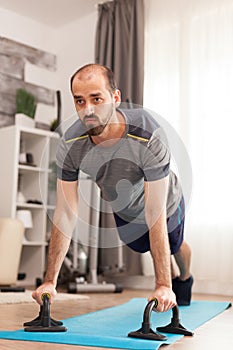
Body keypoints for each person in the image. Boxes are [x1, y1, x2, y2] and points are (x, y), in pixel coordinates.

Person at [32, 63, 193, 313]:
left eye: (96, 99)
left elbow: (155, 212)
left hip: (165, 202)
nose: (88, 110)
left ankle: (184, 277)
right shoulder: (71, 144)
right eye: (80, 101)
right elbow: (65, 212)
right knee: (141, 246)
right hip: (124, 205)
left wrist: (163, 284)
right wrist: (50, 281)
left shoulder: (148, 133)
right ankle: (169, 270)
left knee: (175, 245)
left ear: (115, 98)